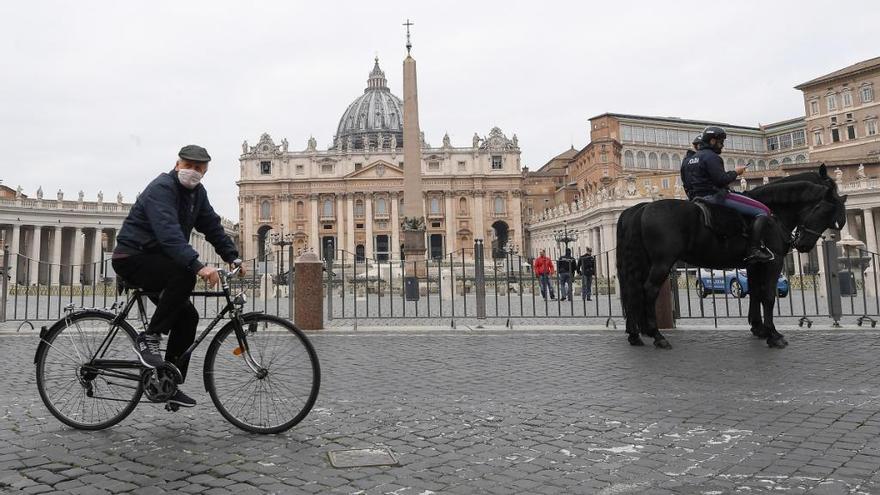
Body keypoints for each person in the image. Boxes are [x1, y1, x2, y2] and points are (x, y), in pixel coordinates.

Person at [112, 145, 243, 408]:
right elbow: (169, 234)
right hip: (133, 257)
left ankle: (167, 385)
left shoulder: (198, 194)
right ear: (177, 164)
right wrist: (199, 266)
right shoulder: (162, 188)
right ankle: (149, 339)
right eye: (188, 165)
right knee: (185, 274)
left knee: (188, 317)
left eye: (198, 168)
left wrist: (232, 255)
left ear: (205, 170)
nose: (192, 171)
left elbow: (212, 226)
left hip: (159, 259)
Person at [681, 126, 773, 263]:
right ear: (712, 141)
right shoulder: (711, 157)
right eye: (720, 141)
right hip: (714, 197)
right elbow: (721, 180)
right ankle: (754, 249)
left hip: (696, 198)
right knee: (763, 211)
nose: (722, 145)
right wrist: (736, 172)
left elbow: (686, 184)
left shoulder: (689, 160)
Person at [680, 134, 702, 199]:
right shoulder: (700, 159)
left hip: (691, 195)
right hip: (703, 194)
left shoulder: (686, 160)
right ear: (699, 146)